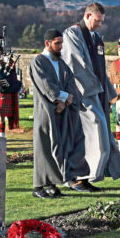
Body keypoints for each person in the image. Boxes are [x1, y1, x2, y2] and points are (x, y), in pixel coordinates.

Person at [61, 3, 120, 191]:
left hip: (96, 93)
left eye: (101, 22)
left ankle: (86, 176)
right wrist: (93, 90)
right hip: (82, 94)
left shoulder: (95, 37)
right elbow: (76, 66)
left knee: (98, 133)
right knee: (93, 130)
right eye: (97, 21)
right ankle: (76, 177)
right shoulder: (72, 34)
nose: (99, 25)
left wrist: (110, 92)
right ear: (87, 16)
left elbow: (99, 69)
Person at [29, 29, 91, 198]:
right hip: (46, 111)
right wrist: (60, 99)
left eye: (61, 43)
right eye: (57, 43)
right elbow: (46, 85)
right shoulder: (38, 62)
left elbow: (70, 82)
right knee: (45, 147)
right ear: (47, 43)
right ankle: (40, 186)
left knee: (68, 143)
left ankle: (64, 180)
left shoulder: (61, 63)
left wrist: (67, 100)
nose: (60, 47)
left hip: (64, 111)